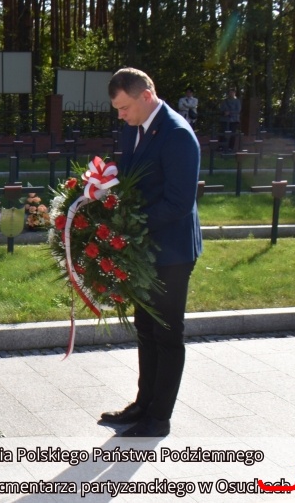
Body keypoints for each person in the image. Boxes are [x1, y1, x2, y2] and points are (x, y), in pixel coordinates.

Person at [99, 67, 202, 438]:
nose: (121, 116)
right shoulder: (134, 127)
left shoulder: (177, 134)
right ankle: (144, 404)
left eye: (125, 107)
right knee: (145, 327)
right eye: (117, 109)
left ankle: (159, 418)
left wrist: (129, 226)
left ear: (146, 95)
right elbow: (129, 177)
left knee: (167, 334)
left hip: (172, 252)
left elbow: (178, 203)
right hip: (145, 248)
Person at [220, 87, 241, 152]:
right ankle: (222, 146)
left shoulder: (237, 101)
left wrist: (230, 112)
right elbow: (221, 109)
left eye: (232, 92)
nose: (231, 93)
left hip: (234, 120)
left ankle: (230, 147)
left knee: (232, 134)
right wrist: (224, 112)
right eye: (230, 92)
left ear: (235, 93)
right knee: (223, 133)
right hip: (225, 120)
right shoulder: (224, 101)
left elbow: (238, 110)